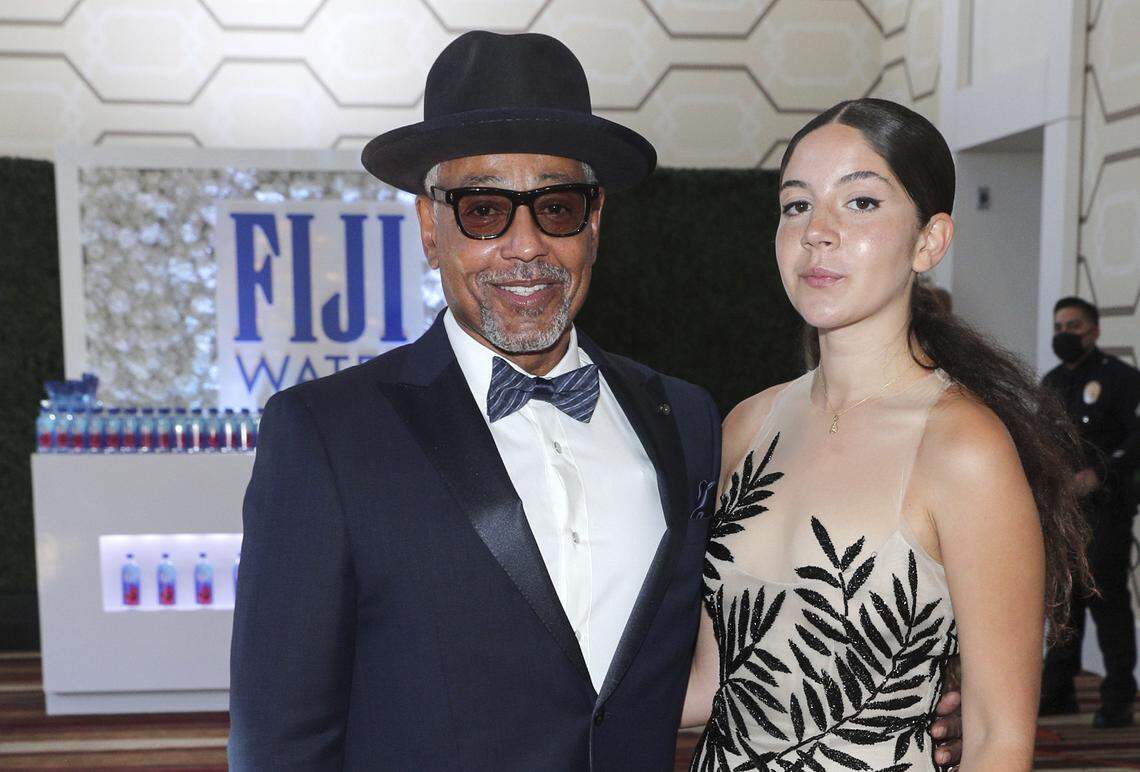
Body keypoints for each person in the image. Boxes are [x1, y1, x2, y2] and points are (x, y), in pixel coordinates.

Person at [228, 33, 963, 770]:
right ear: (431, 226)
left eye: (555, 207)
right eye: (484, 210)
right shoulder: (326, 435)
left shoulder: (686, 421)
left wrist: (909, 687)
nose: (524, 246)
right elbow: (279, 740)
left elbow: (736, 639)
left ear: (595, 218)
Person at [682, 98, 1090, 770]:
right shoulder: (746, 425)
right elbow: (707, 681)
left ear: (929, 240)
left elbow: (996, 738)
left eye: (861, 203)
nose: (818, 231)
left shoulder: (964, 450)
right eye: (795, 205)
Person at [1040, 296, 1140, 727]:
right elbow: (1041, 439)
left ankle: (1117, 698)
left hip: (1107, 509)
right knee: (1064, 601)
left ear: (1095, 331)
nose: (1065, 334)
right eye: (1059, 327)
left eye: (1074, 326)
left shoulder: (1122, 379)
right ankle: (1059, 693)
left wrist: (1099, 474)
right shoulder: (1053, 381)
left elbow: (1136, 439)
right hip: (1065, 511)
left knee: (1106, 600)